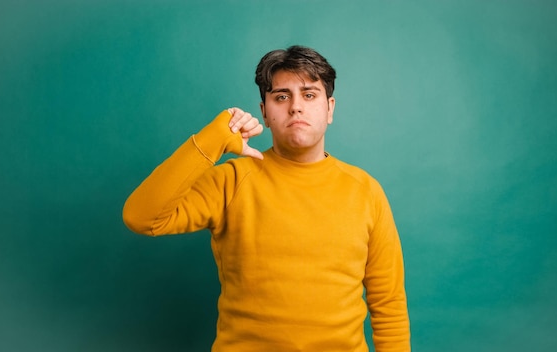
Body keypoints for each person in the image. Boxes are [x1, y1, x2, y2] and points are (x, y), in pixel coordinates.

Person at [123, 45, 410, 351]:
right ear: (264, 112)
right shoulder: (231, 181)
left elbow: (388, 303)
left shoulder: (366, 191)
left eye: (309, 94)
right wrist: (212, 141)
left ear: (330, 109)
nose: (295, 107)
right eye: (281, 96)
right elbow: (141, 217)